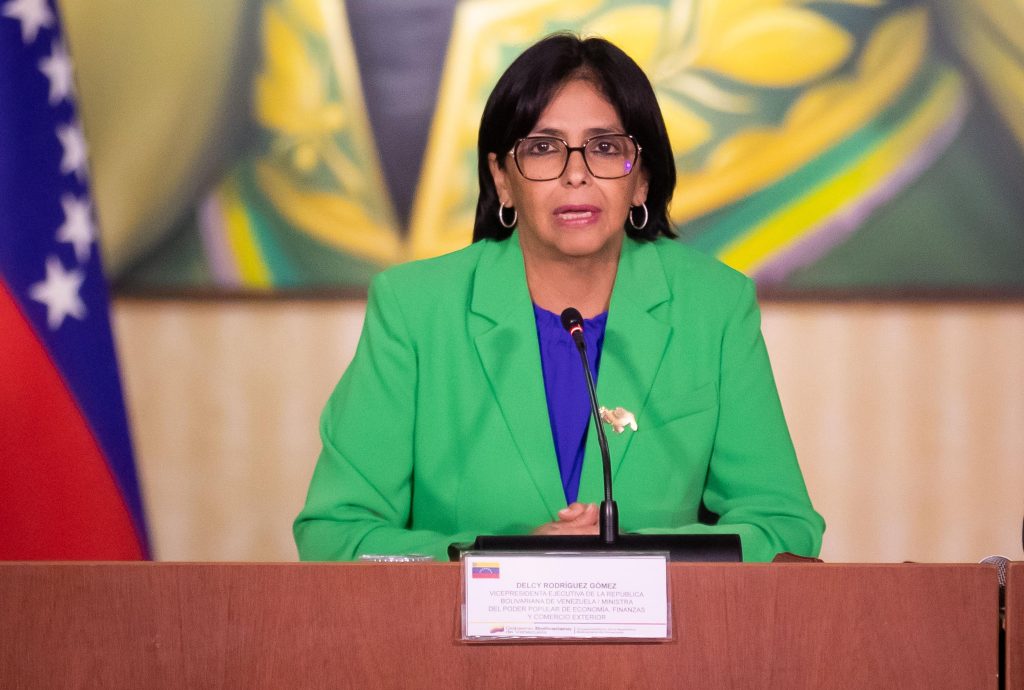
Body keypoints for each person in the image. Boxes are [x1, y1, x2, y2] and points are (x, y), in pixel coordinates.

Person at [293, 34, 824, 562]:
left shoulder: (713, 306)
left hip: (660, 622)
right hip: (463, 620)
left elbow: (783, 526)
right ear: (502, 179)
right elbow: (335, 535)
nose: (576, 175)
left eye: (605, 148)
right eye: (543, 148)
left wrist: (630, 558)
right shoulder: (414, 309)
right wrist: (500, 559)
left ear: (641, 179)